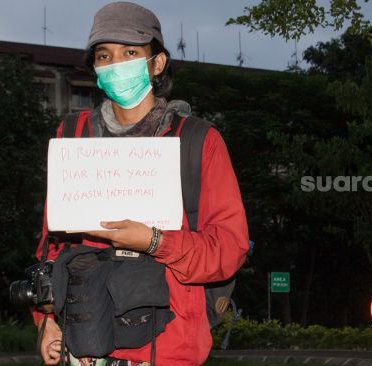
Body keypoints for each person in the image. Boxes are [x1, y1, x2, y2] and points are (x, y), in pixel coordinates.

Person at [32, 2, 249, 365]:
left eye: (130, 52)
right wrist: (45, 321)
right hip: (84, 348)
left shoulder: (197, 141)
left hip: (166, 351)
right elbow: (49, 247)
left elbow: (228, 249)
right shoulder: (72, 136)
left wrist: (154, 241)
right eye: (105, 55)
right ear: (95, 68)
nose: (117, 64)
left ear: (157, 63)